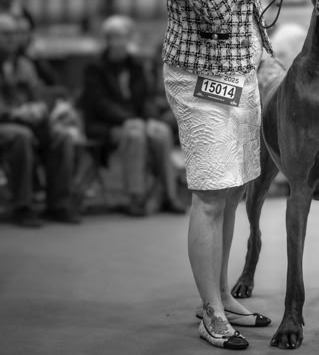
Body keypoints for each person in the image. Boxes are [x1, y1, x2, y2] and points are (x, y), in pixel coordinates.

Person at [159, 0, 319, 350]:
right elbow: (214, 3)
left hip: (243, 73)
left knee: (232, 191)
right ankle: (211, 312)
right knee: (209, 195)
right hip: (200, 76)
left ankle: (221, 296)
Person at [80, 15, 186, 217]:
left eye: (123, 37)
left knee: (162, 132)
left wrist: (150, 120)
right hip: (106, 125)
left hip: (136, 121)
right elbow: (100, 104)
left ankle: (169, 195)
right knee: (135, 135)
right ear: (107, 40)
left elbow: (145, 99)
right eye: (114, 38)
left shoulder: (137, 65)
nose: (119, 43)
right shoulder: (94, 67)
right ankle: (135, 198)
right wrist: (127, 119)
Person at [0, 12, 80, 227]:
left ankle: (58, 205)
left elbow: (40, 95)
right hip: (6, 123)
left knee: (61, 136)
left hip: (28, 122)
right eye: (6, 34)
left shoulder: (24, 65)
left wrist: (39, 108)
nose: (12, 38)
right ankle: (22, 207)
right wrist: (15, 113)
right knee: (22, 137)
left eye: (15, 33)